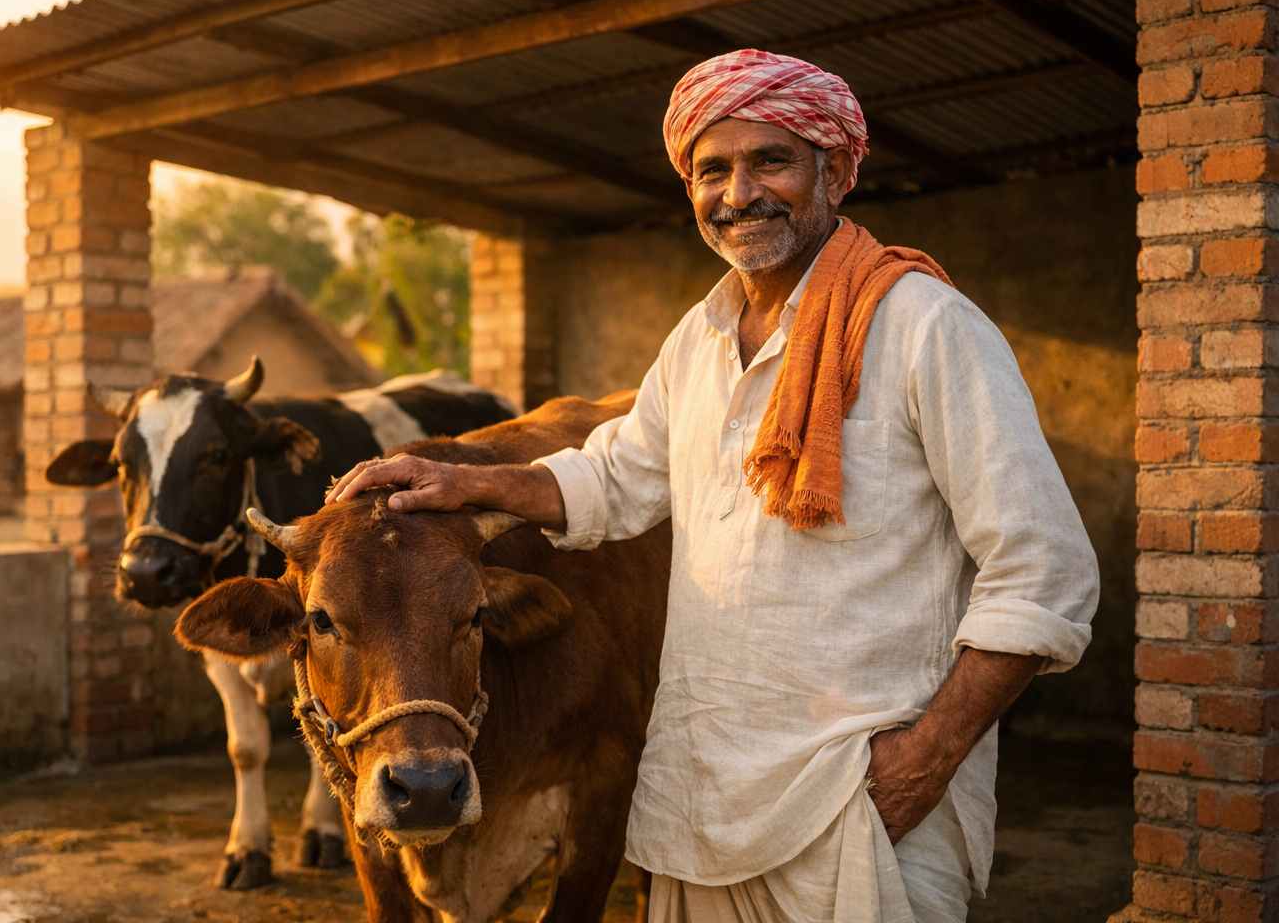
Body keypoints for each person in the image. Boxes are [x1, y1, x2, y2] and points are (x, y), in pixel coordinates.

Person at [327, 49, 1099, 923]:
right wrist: (463, 482)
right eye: (712, 170)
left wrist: (928, 756)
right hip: (705, 798)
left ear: (837, 171)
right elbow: (618, 478)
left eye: (772, 160)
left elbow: (1046, 573)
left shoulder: (927, 328)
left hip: (863, 795)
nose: (739, 193)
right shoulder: (698, 339)